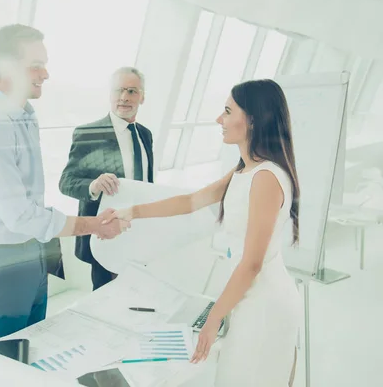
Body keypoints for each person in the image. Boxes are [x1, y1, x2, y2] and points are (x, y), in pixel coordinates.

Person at [104, 79, 302, 386]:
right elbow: (190, 201)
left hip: (264, 304)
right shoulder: (245, 170)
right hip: (249, 297)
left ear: (252, 119)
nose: (218, 120)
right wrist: (130, 211)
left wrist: (213, 319)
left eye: (226, 111)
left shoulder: (265, 178)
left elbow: (252, 264)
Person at [0, 24, 129, 345]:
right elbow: (21, 216)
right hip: (3, 258)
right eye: (36, 65)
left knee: (34, 342)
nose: (46, 74)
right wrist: (94, 225)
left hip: (33, 251)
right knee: (4, 355)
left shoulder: (24, 114)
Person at [59, 67, 154, 290]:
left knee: (133, 294)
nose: (124, 97)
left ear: (142, 97)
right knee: (103, 298)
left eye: (132, 91)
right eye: (118, 90)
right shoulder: (89, 134)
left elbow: (147, 182)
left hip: (137, 230)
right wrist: (93, 185)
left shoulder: (145, 135)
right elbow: (66, 181)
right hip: (105, 232)